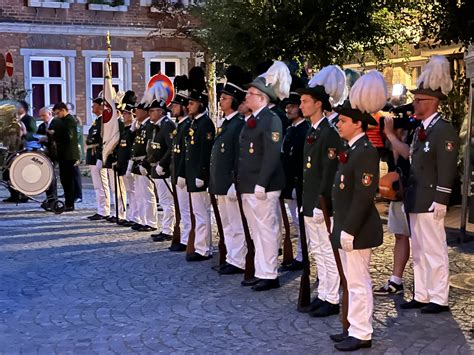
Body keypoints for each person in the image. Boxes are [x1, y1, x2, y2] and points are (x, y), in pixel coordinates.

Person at [330, 70, 387, 351]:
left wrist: (349, 229)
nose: (338, 124)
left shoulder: (365, 151)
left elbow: (364, 196)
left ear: (356, 123)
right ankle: (353, 326)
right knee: (352, 281)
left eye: (342, 120)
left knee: (359, 281)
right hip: (346, 225)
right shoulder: (351, 148)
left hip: (358, 228)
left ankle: (362, 332)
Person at [400, 55, 459, 314]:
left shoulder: (443, 129)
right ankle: (422, 293)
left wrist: (442, 199)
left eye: (419, 99)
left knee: (434, 250)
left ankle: (439, 297)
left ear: (432, 102)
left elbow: (447, 166)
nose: (414, 103)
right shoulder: (420, 129)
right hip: (416, 198)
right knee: (420, 250)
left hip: (431, 198)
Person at [298, 65, 347, 318]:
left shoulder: (329, 133)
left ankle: (332, 297)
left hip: (321, 203)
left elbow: (329, 171)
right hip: (310, 200)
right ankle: (324, 293)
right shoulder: (312, 130)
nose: (301, 105)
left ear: (318, 104)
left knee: (327, 250)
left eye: (305, 101)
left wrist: (321, 202)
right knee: (316, 249)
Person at [236, 61, 288, 291]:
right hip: (248, 183)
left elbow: (271, 154)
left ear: (262, 97)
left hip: (263, 185)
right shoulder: (252, 119)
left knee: (266, 230)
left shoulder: (271, 119)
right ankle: (260, 270)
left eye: (250, 93)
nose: (246, 96)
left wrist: (262, 183)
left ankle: (269, 273)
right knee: (256, 230)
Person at [209, 80, 247, 274]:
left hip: (230, 183)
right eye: (221, 98)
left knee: (236, 223)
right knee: (226, 223)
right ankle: (231, 257)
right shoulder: (226, 123)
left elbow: (238, 156)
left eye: (225, 98)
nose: (221, 101)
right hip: (220, 182)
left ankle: (239, 260)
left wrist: (235, 181)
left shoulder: (238, 124)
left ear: (234, 100)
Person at [374, 112, 413, 295]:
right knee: (400, 235)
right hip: (399, 195)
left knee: (419, 240)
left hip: (413, 195)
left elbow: (408, 154)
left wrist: (391, 135)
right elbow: (396, 163)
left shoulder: (414, 134)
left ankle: (425, 286)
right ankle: (396, 280)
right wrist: (392, 138)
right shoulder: (393, 142)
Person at [181, 87, 215, 262]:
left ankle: (204, 248)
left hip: (199, 176)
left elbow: (205, 151)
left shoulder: (205, 124)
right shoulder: (194, 123)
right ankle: (201, 245)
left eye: (192, 103)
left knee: (202, 213)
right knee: (197, 213)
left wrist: (202, 173)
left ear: (201, 104)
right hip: (192, 174)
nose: (188, 106)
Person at [279, 89, 310, 272]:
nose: (288, 110)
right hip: (289, 183)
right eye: (287, 107)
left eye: (292, 106)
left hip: (299, 184)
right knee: (296, 223)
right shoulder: (291, 129)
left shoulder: (304, 130)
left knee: (302, 224)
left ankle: (302, 257)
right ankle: (300, 256)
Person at [143, 99, 176, 241]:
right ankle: (166, 228)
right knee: (163, 200)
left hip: (164, 169)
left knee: (167, 201)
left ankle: (169, 230)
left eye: (152, 110)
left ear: (160, 112)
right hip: (156, 167)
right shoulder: (157, 126)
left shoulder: (167, 125)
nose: (149, 113)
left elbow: (171, 147)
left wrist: (162, 164)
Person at [130, 100, 157, 232]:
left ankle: (151, 222)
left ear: (145, 112)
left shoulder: (150, 126)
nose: (136, 112)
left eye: (138, 110)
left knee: (147, 193)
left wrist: (146, 163)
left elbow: (149, 147)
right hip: (137, 162)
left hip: (145, 163)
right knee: (140, 194)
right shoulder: (141, 126)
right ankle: (142, 219)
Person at [51, 102, 80, 212]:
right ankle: (68, 202)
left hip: (69, 155)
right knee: (64, 180)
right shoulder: (62, 121)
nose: (57, 116)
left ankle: (70, 203)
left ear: (63, 110)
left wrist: (55, 132)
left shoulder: (69, 120)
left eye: (58, 113)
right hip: (63, 155)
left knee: (68, 180)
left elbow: (68, 136)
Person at [86, 98, 110, 220]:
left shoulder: (104, 121)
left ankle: (105, 210)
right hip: (92, 155)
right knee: (97, 185)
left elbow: (103, 140)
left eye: (94, 106)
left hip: (97, 155)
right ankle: (101, 209)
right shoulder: (98, 120)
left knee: (101, 184)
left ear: (101, 107)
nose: (92, 108)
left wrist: (100, 157)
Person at [36, 107, 58, 208]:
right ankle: (50, 198)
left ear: (50, 114)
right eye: (40, 116)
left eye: (43, 115)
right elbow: (38, 136)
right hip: (46, 153)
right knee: (47, 176)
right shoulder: (41, 126)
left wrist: (48, 138)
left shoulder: (56, 123)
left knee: (52, 176)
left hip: (55, 153)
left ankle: (53, 199)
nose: (41, 118)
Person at [66, 102, 83, 203]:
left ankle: (78, 195)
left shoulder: (74, 121)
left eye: (68, 110)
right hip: (68, 151)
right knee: (68, 173)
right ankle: (70, 192)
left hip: (75, 152)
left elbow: (74, 136)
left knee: (75, 173)